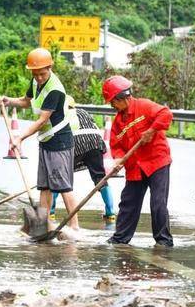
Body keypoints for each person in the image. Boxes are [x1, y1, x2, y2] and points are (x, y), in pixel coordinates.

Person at [0, 48, 79, 231]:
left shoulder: (55, 89)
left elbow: (42, 120)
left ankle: (75, 227)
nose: (39, 77)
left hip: (60, 141)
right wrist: (9, 101)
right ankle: (42, 224)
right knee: (45, 186)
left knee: (63, 186)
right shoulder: (35, 81)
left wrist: (20, 138)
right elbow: (26, 101)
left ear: (50, 67)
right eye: (35, 73)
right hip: (46, 140)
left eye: (42, 73)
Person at [103, 75, 174, 247]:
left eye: (113, 102)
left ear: (121, 98)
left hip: (156, 162)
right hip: (135, 166)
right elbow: (116, 144)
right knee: (129, 202)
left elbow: (166, 114)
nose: (112, 106)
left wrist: (152, 129)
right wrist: (119, 160)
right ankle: (120, 238)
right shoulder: (118, 121)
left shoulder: (144, 106)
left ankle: (163, 241)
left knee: (158, 202)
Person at [51, 96, 116, 223]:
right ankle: (110, 212)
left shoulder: (59, 115)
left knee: (58, 177)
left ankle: (50, 212)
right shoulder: (83, 112)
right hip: (95, 143)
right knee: (100, 178)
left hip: (75, 143)